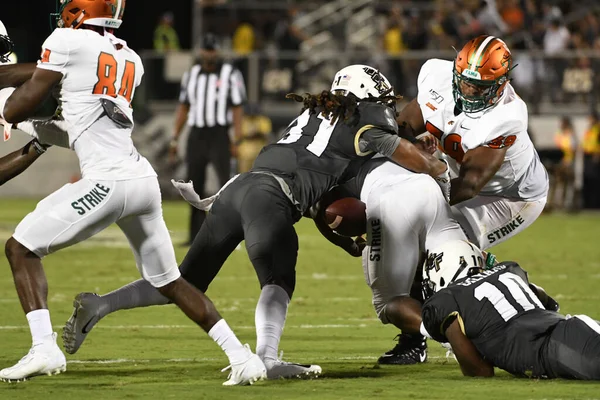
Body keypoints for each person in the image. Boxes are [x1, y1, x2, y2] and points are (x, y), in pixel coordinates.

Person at [62, 65, 452, 380]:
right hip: (272, 199)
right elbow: (421, 163)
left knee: (185, 282)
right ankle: (266, 357)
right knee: (278, 279)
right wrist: (442, 168)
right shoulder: (364, 124)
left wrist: (343, 241)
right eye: (382, 100)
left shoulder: (312, 115)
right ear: (367, 98)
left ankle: (101, 303)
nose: (388, 108)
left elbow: (316, 204)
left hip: (240, 189)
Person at [0, 0, 266, 385]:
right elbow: (77, 112)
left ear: (79, 10)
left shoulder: (66, 41)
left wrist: (12, 111)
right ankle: (241, 357)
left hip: (106, 182)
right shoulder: (132, 59)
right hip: (142, 179)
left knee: (21, 248)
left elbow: (21, 104)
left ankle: (44, 348)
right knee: (170, 281)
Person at [381, 34, 549, 365]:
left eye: (481, 85)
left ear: (503, 81)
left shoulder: (508, 116)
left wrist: (419, 186)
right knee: (415, 241)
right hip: (455, 180)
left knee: (440, 253)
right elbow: (403, 128)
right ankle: (517, 290)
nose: (471, 90)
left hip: (510, 197)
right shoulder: (435, 75)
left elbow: (470, 184)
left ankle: (466, 323)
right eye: (466, 82)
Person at [311, 156, 467, 365]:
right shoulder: (369, 132)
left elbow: (321, 209)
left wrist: (348, 245)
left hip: (388, 199)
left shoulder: (312, 161)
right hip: (426, 185)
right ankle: (498, 323)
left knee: (390, 302)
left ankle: (453, 338)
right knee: (461, 271)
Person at [421, 240, 600, 380]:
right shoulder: (508, 268)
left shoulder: (448, 300)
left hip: (553, 347)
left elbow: (480, 371)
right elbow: (550, 304)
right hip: (569, 330)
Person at [169, 33, 246, 245]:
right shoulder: (191, 75)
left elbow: (238, 107)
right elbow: (183, 106)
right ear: (201, 51)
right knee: (194, 186)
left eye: (212, 50)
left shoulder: (231, 74)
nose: (209, 54)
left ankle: (230, 235)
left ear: (217, 51)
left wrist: (237, 139)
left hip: (220, 133)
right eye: (206, 49)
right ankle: (195, 236)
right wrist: (175, 137)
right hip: (197, 134)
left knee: (226, 186)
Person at [236, 103, 272, 173]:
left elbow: (265, 133)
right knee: (244, 176)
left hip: (259, 154)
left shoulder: (262, 119)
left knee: (259, 175)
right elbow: (238, 136)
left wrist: (255, 133)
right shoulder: (243, 120)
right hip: (244, 154)